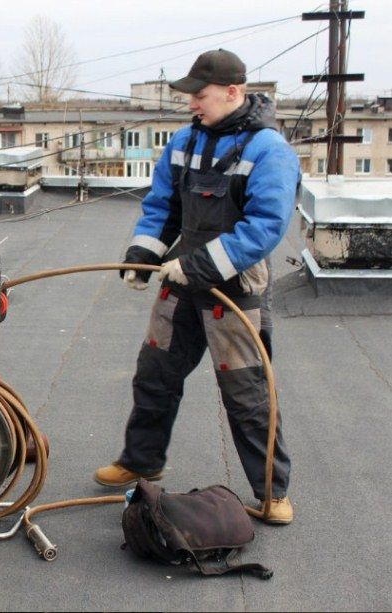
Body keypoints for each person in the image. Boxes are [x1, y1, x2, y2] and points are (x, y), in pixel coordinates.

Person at [94, 49, 299, 524]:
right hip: (181, 282)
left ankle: (272, 493)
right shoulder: (184, 142)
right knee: (155, 374)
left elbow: (266, 225)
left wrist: (201, 264)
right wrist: (144, 254)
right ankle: (140, 462)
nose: (192, 106)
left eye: (200, 96)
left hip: (235, 290)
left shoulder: (268, 150)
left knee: (247, 393)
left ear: (233, 92)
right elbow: (161, 204)